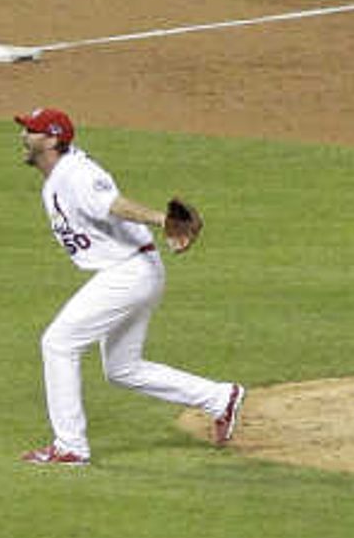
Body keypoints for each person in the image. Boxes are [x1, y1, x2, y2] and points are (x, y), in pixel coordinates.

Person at [13, 108, 241, 464]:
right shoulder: (60, 174)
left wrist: (162, 220)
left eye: (32, 130)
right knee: (122, 368)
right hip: (135, 269)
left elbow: (114, 204)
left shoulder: (76, 174)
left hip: (128, 272)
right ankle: (220, 398)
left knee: (58, 343)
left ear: (53, 139)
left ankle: (70, 446)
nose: (23, 136)